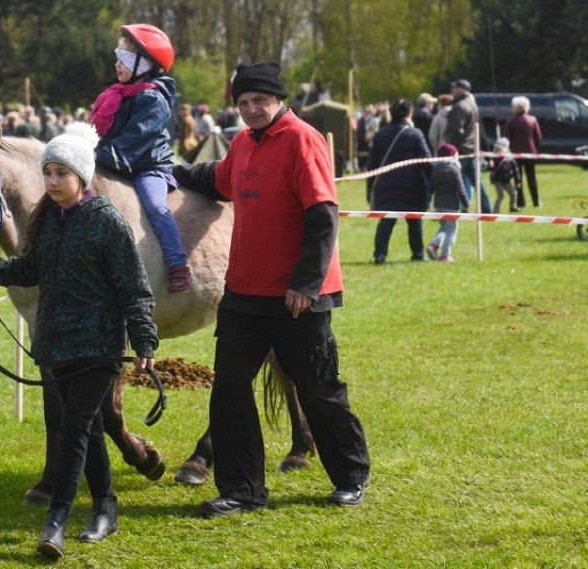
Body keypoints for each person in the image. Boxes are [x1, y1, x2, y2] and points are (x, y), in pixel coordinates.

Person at [0, 123, 159, 560]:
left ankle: (57, 521)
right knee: (92, 428)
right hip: (57, 345)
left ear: (82, 177)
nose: (52, 182)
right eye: (48, 173)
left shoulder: (107, 222)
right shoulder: (43, 221)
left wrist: (143, 341)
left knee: (74, 427)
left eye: (62, 173)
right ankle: (106, 506)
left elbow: (134, 287)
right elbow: (28, 271)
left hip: (99, 347)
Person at [172, 61, 370, 517]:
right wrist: (172, 171)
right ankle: (242, 490)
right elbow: (216, 179)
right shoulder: (242, 143)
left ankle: (351, 476)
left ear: (280, 100)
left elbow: (323, 215)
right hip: (243, 293)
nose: (251, 109)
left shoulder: (304, 140)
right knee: (230, 389)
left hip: (299, 296)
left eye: (259, 100)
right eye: (242, 103)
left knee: (318, 388)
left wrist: (305, 283)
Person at [92, 23, 191, 292]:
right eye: (117, 56)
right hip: (116, 161)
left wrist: (95, 154)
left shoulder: (152, 99)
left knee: (156, 206)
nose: (117, 64)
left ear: (146, 66)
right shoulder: (115, 94)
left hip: (147, 167)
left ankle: (177, 262)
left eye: (124, 59)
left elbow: (131, 141)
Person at [366, 98, 432, 264]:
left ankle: (379, 255)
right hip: (412, 184)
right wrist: (433, 182)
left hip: (385, 183)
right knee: (414, 219)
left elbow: (371, 165)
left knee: (386, 220)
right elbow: (427, 162)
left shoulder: (380, 134)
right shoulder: (415, 134)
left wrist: (370, 190)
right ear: (410, 113)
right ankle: (418, 253)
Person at [445, 79, 492, 213]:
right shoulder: (473, 105)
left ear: (461, 90)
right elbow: (480, 130)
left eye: (454, 88)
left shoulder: (459, 106)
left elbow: (456, 129)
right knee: (478, 182)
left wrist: (452, 146)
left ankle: (450, 210)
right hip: (472, 149)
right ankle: (487, 210)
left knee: (452, 180)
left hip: (461, 149)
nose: (452, 91)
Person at [426, 143, 469, 262]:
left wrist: (428, 204)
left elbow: (430, 188)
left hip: (438, 205)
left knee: (444, 227)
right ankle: (445, 255)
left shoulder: (435, 169)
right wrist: (466, 204)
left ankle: (433, 245)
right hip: (451, 206)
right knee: (451, 229)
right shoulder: (454, 169)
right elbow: (460, 188)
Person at [504, 95, 543, 208]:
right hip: (530, 153)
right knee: (532, 178)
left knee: (518, 178)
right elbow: (538, 138)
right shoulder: (533, 120)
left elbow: (506, 138)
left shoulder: (511, 122)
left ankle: (520, 202)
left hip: (516, 154)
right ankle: (536, 201)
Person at [488, 137, 522, 213]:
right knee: (501, 196)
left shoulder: (510, 159)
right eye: (495, 148)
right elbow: (491, 168)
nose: (496, 150)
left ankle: (513, 206)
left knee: (514, 193)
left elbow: (516, 170)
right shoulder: (494, 158)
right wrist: (490, 165)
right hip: (497, 180)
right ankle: (495, 212)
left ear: (505, 150)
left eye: (499, 149)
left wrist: (518, 181)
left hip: (507, 180)